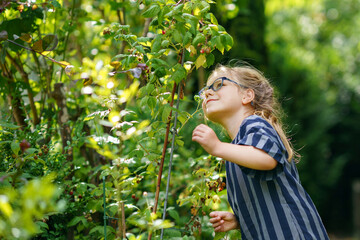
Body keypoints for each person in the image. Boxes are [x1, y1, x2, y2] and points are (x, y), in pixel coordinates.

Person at [192, 64, 329, 240]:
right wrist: (240, 220)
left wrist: (217, 147)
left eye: (219, 84)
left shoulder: (255, 123)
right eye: (205, 91)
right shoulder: (236, 151)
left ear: (247, 95)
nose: (208, 93)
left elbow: (267, 159)